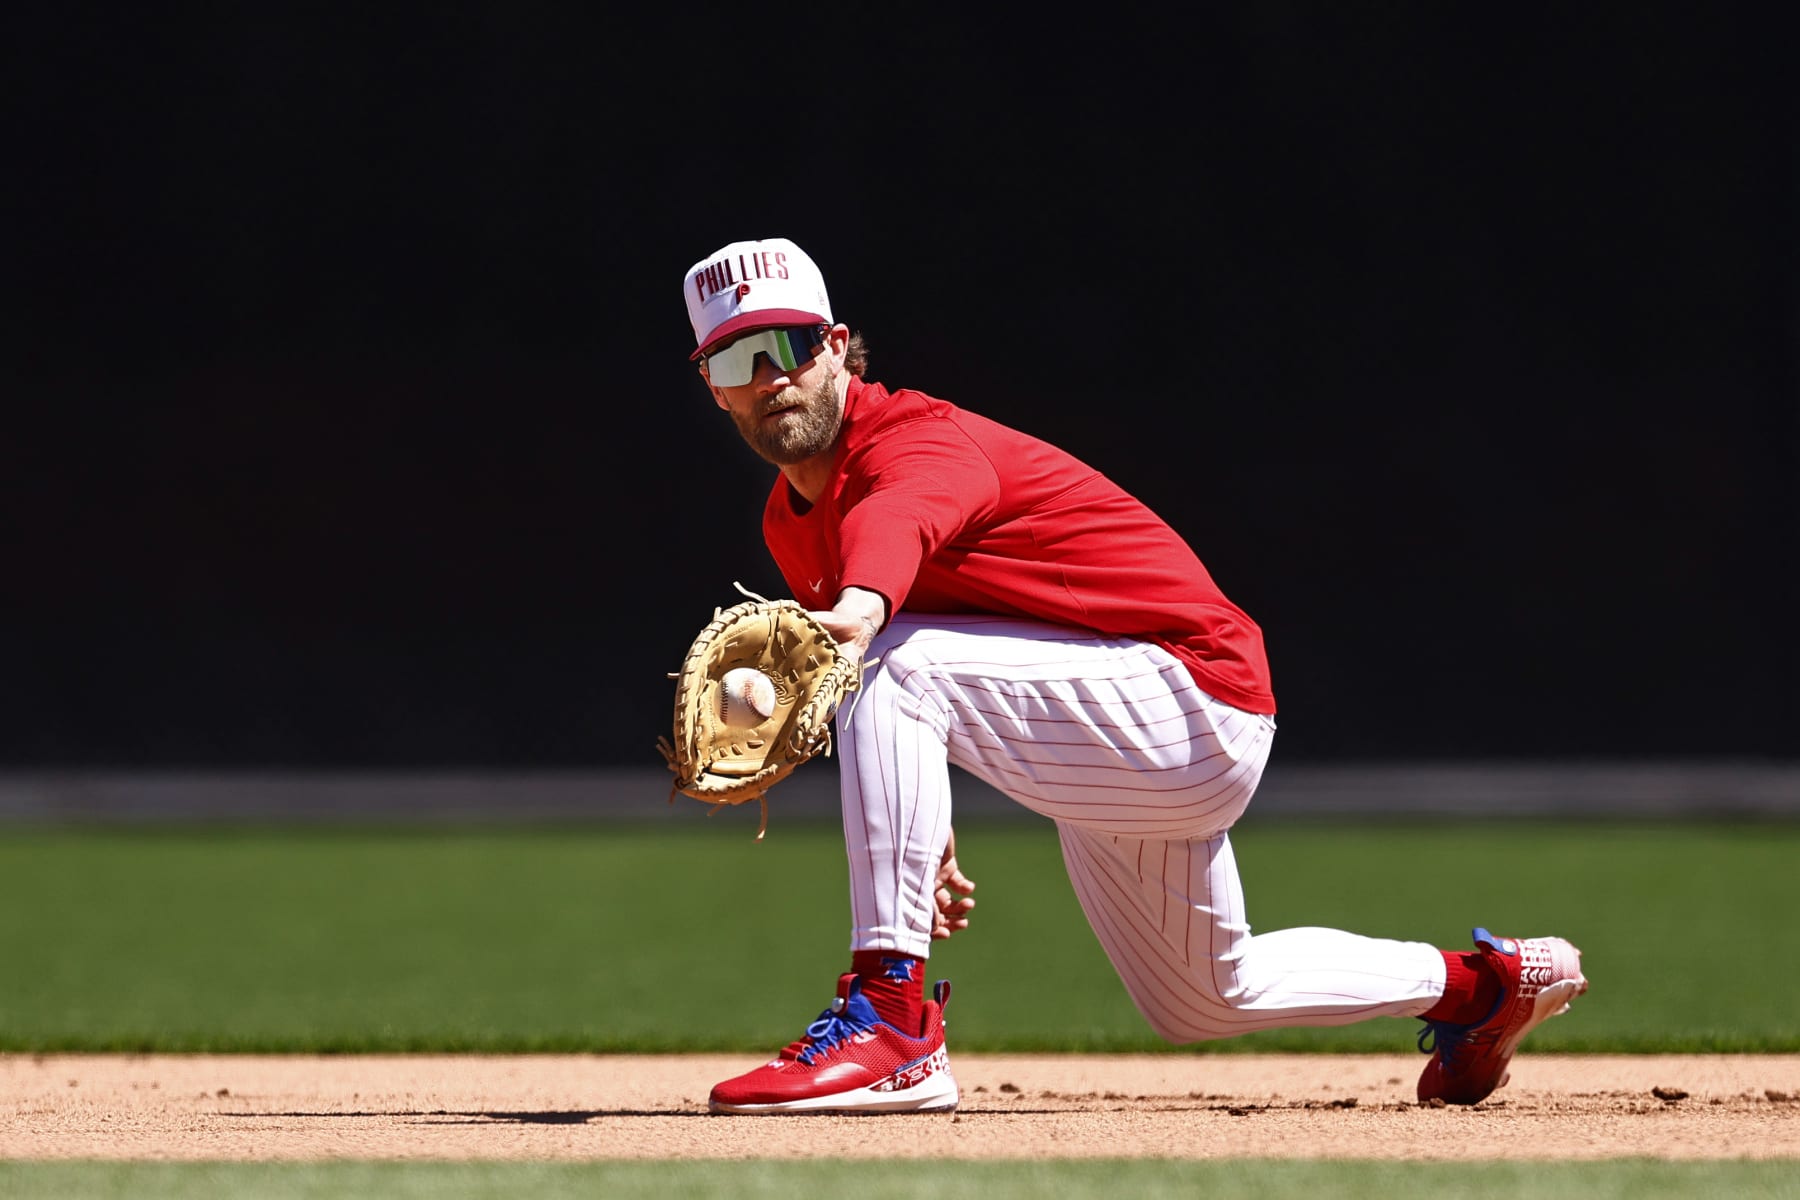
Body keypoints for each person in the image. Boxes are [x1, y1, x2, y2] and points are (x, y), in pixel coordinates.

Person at [680, 236, 1589, 1116]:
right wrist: (916, 831)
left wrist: (863, 609)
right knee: (1203, 996)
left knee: (892, 662)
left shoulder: (915, 440)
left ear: (838, 348)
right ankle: (1486, 987)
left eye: (788, 346)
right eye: (735, 363)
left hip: (1193, 698)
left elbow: (900, 531)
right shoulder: (787, 525)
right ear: (713, 391)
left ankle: (891, 1025)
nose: (769, 379)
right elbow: (943, 658)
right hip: (1114, 727)